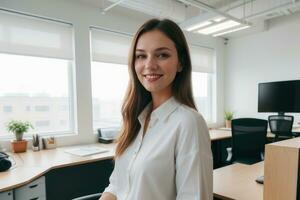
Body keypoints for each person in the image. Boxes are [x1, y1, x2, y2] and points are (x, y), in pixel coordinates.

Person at [100, 18, 213, 200]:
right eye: (141, 56)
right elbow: (117, 186)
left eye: (162, 55)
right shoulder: (136, 119)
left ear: (180, 63)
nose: (149, 65)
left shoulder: (188, 122)